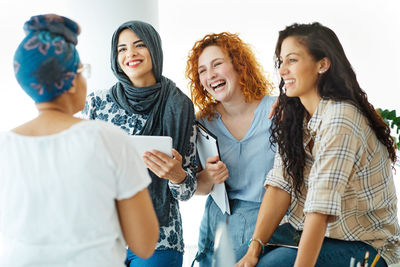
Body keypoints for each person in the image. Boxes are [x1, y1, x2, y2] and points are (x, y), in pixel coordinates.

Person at [0, 14, 159, 267]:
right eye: (83, 71)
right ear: (71, 81)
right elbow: (144, 243)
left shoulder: (5, 148)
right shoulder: (108, 139)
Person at [237, 22, 400, 267]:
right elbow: (281, 185)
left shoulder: (341, 118)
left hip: (367, 244)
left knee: (273, 265)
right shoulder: (296, 116)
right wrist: (253, 250)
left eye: (292, 60)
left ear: (322, 64)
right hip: (315, 232)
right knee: (239, 252)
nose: (282, 70)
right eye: (281, 61)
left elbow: (319, 209)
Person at [81, 20, 197, 267]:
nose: (130, 54)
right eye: (121, 49)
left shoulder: (179, 105)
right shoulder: (97, 104)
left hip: (160, 237)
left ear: (154, 49)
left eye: (139, 45)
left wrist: (176, 176)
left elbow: (187, 190)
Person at [186, 32, 278, 266]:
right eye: (203, 71)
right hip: (222, 228)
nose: (210, 75)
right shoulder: (202, 123)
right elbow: (201, 187)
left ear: (239, 65)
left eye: (217, 64)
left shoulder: (277, 111)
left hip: (271, 227)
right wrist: (207, 176)